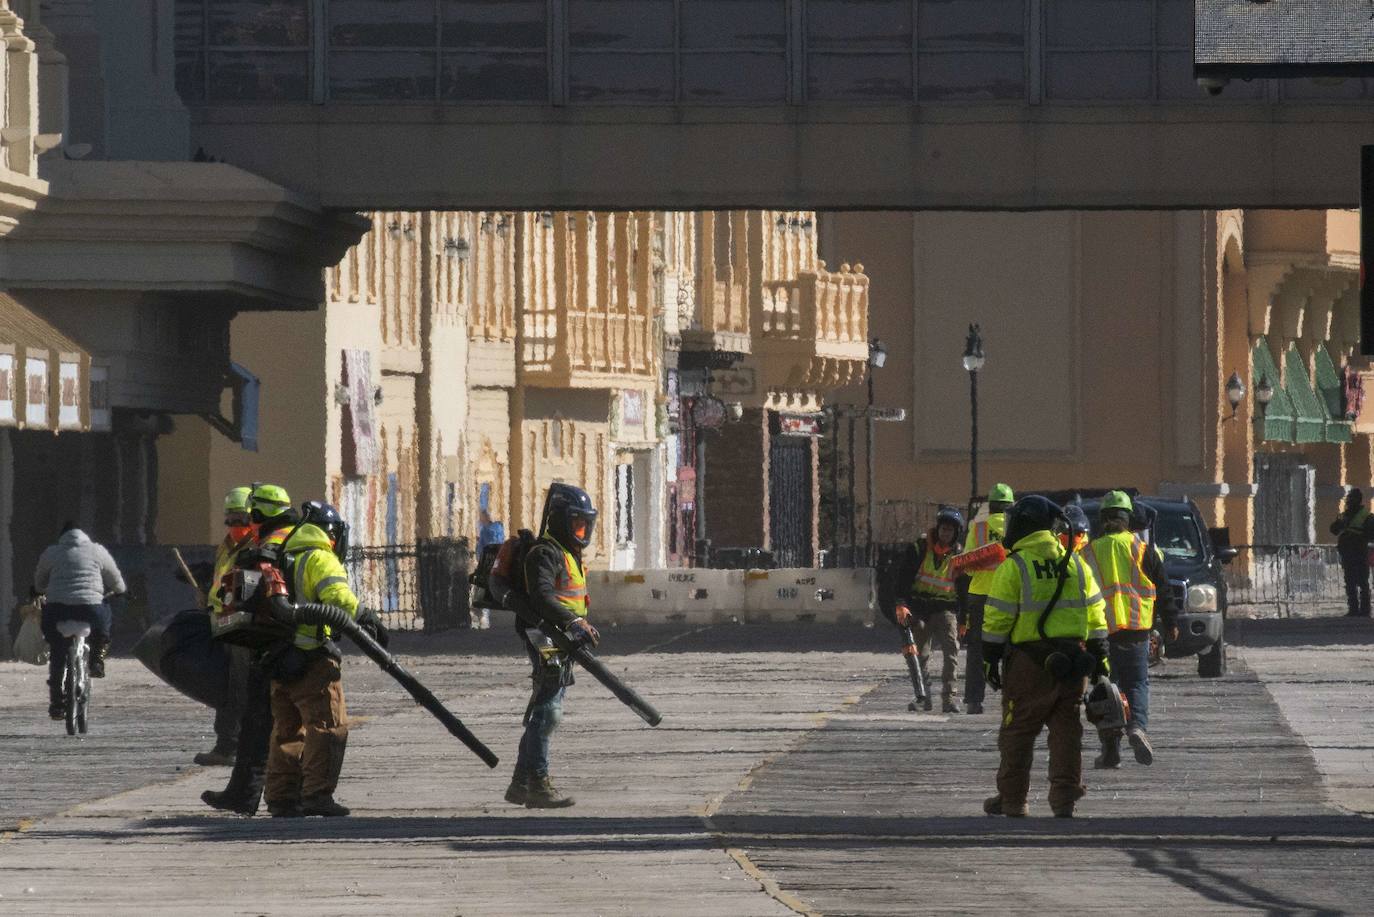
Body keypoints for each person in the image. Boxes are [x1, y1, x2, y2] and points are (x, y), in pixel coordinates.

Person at [981, 496, 1108, 819]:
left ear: (1024, 524)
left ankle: (1013, 799)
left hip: (1030, 661)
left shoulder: (1016, 565)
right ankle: (1064, 799)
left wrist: (989, 658)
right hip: (1074, 661)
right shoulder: (1076, 563)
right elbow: (1095, 611)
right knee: (1067, 731)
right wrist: (1099, 654)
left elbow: (998, 619)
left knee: (1018, 731)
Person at [503, 483, 601, 809]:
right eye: (577, 523)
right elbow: (543, 597)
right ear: (561, 520)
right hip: (544, 636)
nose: (582, 531)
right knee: (548, 711)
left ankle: (520, 783)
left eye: (585, 524)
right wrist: (574, 622)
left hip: (561, 638)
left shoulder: (567, 553)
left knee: (546, 705)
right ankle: (538, 784)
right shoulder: (544, 554)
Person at [261, 501, 362, 818]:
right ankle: (317, 795)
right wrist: (367, 617)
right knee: (329, 727)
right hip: (313, 659)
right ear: (330, 532)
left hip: (278, 660)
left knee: (287, 729)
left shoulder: (284, 555)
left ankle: (280, 797)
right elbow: (339, 600)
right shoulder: (320, 557)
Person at [202, 482, 295, 817]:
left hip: (276, 640)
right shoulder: (264, 541)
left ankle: (288, 795)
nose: (239, 524)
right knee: (257, 719)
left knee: (273, 721)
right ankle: (249, 793)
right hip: (255, 635)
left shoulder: (276, 542)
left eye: (246, 516)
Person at [1085, 491, 1178, 769]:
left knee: (1105, 690)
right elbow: (1163, 587)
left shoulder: (1088, 552)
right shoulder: (1142, 549)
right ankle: (1137, 727)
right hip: (1137, 629)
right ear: (1129, 520)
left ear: (1103, 519)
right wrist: (1170, 622)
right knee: (1136, 683)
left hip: (1101, 632)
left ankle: (1110, 749)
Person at [34, 522, 126, 719]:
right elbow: (115, 579)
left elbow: (39, 582)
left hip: (58, 609)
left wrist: (40, 590)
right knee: (104, 614)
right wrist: (121, 591)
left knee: (58, 651)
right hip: (90, 608)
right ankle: (96, 659)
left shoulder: (52, 552)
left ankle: (57, 703)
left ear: (62, 536)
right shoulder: (97, 550)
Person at [194, 485, 256, 766]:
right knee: (227, 686)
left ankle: (231, 747)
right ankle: (228, 746)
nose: (234, 525)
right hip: (223, 623)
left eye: (240, 520)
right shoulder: (227, 544)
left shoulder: (257, 545)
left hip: (244, 628)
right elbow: (223, 580)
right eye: (229, 520)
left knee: (238, 688)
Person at [894, 507, 965, 713]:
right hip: (920, 609)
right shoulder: (919, 548)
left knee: (951, 652)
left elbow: (964, 588)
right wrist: (901, 603)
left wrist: (964, 619)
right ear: (938, 528)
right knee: (919, 655)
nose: (945, 534)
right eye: (943, 529)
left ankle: (949, 699)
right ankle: (923, 698)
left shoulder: (960, 555)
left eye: (950, 531)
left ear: (956, 533)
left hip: (946, 611)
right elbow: (903, 577)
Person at [962, 483, 1014, 715]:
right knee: (1013, 648)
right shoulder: (1018, 528)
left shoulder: (978, 528)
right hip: (1010, 596)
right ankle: (1013, 699)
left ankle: (974, 700)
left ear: (990, 507)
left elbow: (968, 566)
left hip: (981, 596)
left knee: (977, 649)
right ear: (1010, 506)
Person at [1330, 488, 1374, 618]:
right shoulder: (1345, 515)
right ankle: (1353, 609)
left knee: (1362, 581)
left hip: (1360, 552)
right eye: (1348, 498)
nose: (1349, 501)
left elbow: (1371, 534)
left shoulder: (1367, 516)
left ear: (1357, 500)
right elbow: (1333, 529)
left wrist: (1360, 537)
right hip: (1348, 553)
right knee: (1350, 582)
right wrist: (1340, 524)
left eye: (1351, 498)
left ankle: (1365, 610)